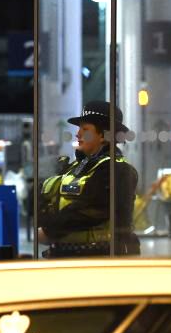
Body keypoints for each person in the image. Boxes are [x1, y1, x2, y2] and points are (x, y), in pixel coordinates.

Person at [38, 101, 141, 257]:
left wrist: (48, 230)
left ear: (103, 135)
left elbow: (88, 211)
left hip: (101, 260)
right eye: (79, 128)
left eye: (85, 129)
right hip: (68, 256)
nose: (78, 134)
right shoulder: (74, 167)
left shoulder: (117, 170)